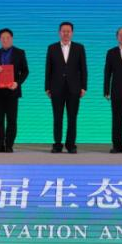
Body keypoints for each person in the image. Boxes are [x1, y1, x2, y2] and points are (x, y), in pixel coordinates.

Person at [44, 21, 87, 154]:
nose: (66, 33)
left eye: (68, 31)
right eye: (63, 31)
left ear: (72, 33)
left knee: (72, 118)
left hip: (74, 88)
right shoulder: (52, 48)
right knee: (57, 117)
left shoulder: (79, 48)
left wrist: (84, 87)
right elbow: (48, 69)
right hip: (56, 88)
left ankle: (70, 145)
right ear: (59, 33)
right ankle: (57, 144)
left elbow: (83, 69)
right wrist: (47, 87)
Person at [0, 28, 29, 152]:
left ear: (12, 39)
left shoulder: (20, 53)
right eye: (2, 38)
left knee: (11, 120)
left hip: (12, 91)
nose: (5, 40)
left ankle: (9, 145)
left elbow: (25, 71)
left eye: (7, 38)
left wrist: (17, 83)